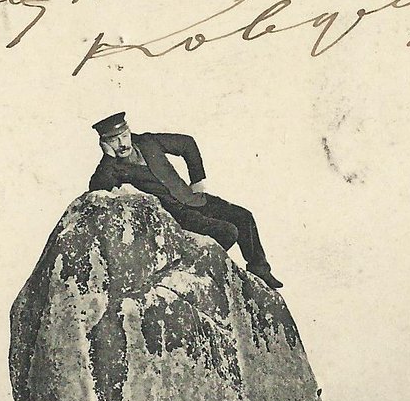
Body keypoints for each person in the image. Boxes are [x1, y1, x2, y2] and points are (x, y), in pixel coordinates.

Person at [88, 112, 284, 292]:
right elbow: (97, 189)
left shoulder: (148, 141)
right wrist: (108, 156)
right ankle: (197, 272)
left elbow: (187, 143)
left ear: (129, 131)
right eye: (113, 141)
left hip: (193, 199)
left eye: (123, 135)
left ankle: (260, 271)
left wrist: (197, 180)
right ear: (104, 144)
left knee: (243, 217)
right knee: (227, 232)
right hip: (177, 216)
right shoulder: (111, 167)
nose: (122, 144)